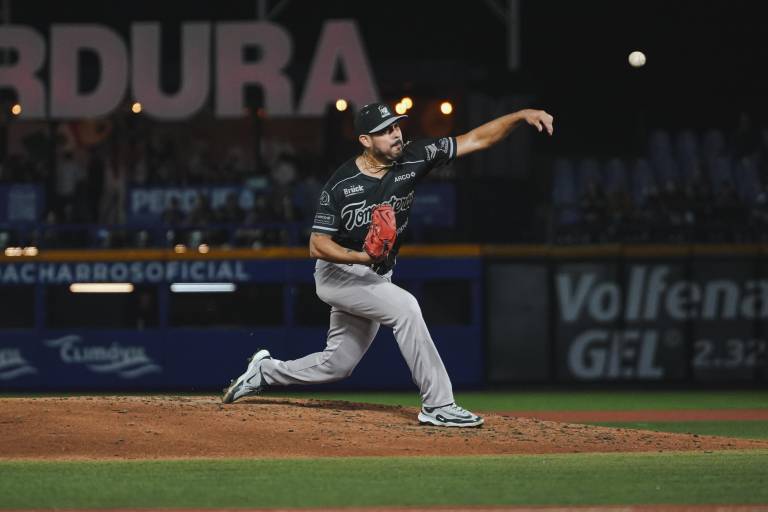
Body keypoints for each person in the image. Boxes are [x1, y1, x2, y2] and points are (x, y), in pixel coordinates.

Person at [222, 102, 554, 427]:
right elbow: (317, 244)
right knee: (406, 307)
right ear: (365, 140)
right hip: (338, 273)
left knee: (337, 365)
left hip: (375, 275)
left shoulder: (415, 156)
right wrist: (360, 257)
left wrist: (521, 115)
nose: (395, 134)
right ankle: (439, 404)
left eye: (396, 126)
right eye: (384, 131)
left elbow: (477, 139)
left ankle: (265, 371)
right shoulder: (341, 184)